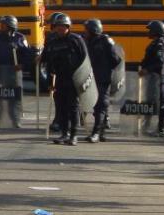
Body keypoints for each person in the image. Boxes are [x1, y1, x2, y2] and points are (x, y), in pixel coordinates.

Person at [41, 13, 88, 146]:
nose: (60, 29)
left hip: (74, 78)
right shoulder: (52, 41)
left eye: (63, 26)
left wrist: (82, 79)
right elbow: (49, 63)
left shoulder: (76, 40)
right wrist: (50, 82)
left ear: (68, 27)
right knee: (61, 107)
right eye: (58, 26)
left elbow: (85, 60)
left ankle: (73, 135)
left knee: (73, 107)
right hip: (60, 79)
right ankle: (64, 133)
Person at [0, 15, 30, 128]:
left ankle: (15, 121)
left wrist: (22, 65)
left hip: (13, 72)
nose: (1, 26)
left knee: (13, 98)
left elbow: (27, 54)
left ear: (11, 26)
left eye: (3, 24)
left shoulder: (20, 38)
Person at [82, 19, 122, 143]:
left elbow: (116, 59)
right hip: (91, 78)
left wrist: (105, 69)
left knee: (101, 105)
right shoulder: (87, 41)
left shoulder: (106, 41)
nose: (85, 32)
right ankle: (101, 132)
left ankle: (96, 133)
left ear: (93, 30)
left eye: (87, 30)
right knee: (94, 104)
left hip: (102, 78)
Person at [139, 21, 164, 137]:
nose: (149, 32)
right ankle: (147, 126)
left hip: (159, 79)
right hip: (153, 79)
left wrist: (147, 69)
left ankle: (160, 128)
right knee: (150, 102)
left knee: (160, 103)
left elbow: (159, 62)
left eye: (151, 30)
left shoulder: (160, 45)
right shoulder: (154, 44)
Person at [45, 12, 63, 132]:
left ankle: (61, 120)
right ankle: (58, 119)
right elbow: (47, 52)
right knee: (57, 96)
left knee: (64, 97)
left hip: (63, 70)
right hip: (53, 69)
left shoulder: (68, 38)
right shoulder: (51, 36)